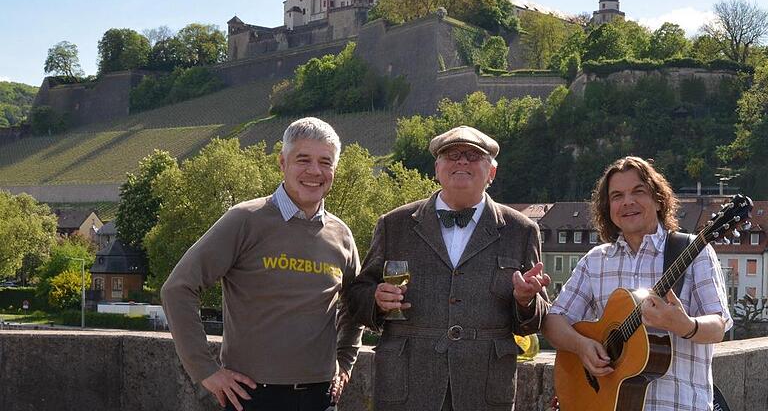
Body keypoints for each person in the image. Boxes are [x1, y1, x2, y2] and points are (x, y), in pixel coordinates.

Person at [161, 117, 363, 411]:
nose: (315, 171)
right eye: (303, 159)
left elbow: (355, 304)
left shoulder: (341, 234)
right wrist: (205, 370)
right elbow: (178, 289)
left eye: (325, 162)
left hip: (321, 398)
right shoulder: (244, 220)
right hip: (253, 397)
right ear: (282, 162)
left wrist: (345, 361)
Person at [345, 125, 551, 411]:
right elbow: (356, 295)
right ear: (437, 168)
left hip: (485, 389)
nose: (462, 161)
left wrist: (526, 301)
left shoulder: (522, 230)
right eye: (451, 155)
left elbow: (536, 321)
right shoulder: (395, 224)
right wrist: (376, 299)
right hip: (405, 385)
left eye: (473, 156)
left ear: (491, 172)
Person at [543, 156, 732, 411]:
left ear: (658, 199)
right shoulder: (595, 261)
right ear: (608, 207)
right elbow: (554, 322)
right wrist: (582, 346)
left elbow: (718, 327)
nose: (627, 202)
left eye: (638, 192)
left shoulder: (692, 251)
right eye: (617, 196)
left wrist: (685, 324)